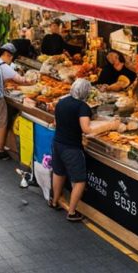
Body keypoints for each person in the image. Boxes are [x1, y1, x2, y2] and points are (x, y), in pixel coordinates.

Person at [50, 79, 123, 222]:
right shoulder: (82, 107)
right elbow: (86, 129)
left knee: (58, 173)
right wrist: (110, 125)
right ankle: (72, 212)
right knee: (79, 180)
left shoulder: (61, 102)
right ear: (86, 93)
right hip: (71, 148)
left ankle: (54, 201)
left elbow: (56, 123)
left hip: (57, 143)